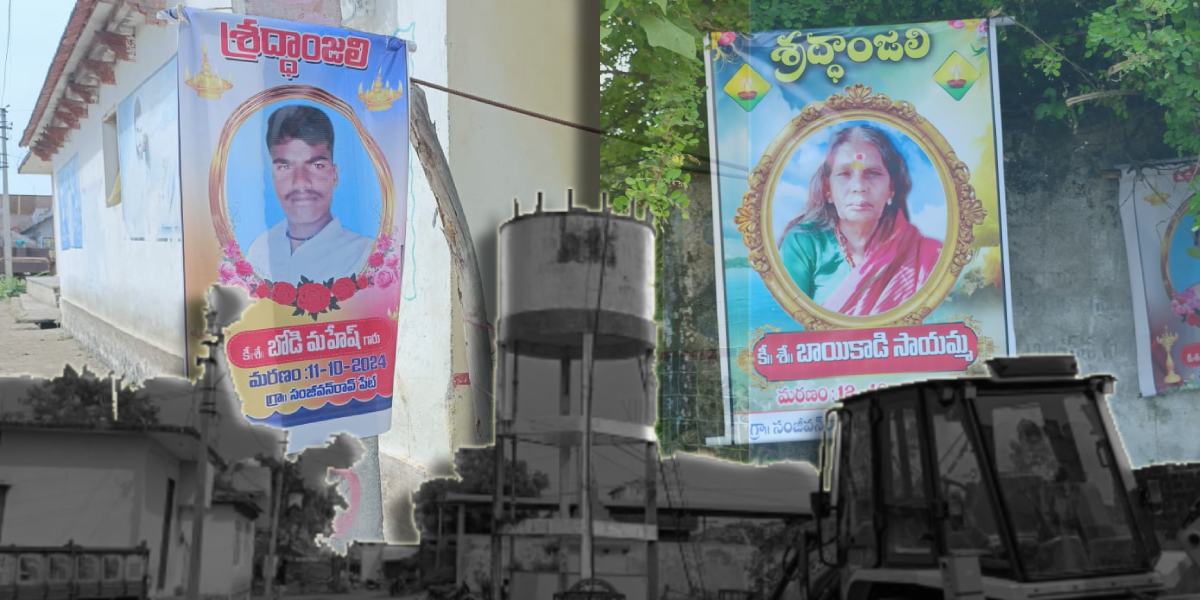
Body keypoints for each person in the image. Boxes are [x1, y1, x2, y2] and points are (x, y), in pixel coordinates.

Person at [778, 124, 942, 317]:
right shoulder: (804, 243)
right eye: (845, 174)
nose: (858, 186)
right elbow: (788, 329)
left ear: (892, 189)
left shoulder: (928, 255)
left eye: (873, 173)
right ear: (827, 190)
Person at [245, 105, 372, 283]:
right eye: (285, 167)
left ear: (334, 175)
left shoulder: (365, 256)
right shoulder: (259, 251)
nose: (301, 182)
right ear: (273, 176)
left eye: (316, 165)